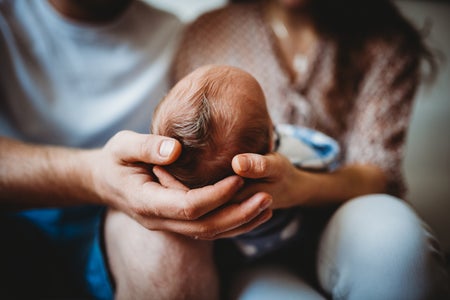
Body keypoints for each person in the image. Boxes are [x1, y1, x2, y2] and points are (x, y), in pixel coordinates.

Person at [174, 0, 450, 298]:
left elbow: (378, 172)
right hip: (253, 250)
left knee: (396, 247)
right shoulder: (209, 32)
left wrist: (297, 185)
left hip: (346, 218)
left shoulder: (383, 40)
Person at [0, 1, 274, 299]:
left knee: (173, 250)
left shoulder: (179, 37)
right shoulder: (8, 20)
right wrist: (95, 176)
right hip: (16, 215)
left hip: (117, 223)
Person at [152, 64, 340, 259]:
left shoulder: (171, 191)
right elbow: (328, 154)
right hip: (304, 250)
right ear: (270, 143)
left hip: (233, 260)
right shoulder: (292, 156)